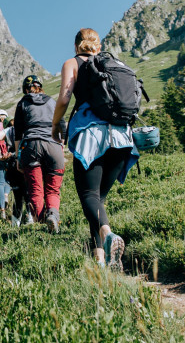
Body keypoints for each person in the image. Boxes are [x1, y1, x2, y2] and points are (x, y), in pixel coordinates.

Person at [51, 28, 138, 269]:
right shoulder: (113, 63)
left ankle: (108, 235)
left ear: (77, 45)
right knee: (97, 200)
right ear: (98, 46)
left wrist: (56, 123)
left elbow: (65, 97)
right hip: (122, 137)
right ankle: (101, 259)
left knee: (89, 196)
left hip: (91, 135)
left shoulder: (73, 62)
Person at [14, 75, 66, 233]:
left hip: (31, 147)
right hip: (53, 146)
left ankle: (43, 225)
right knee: (53, 189)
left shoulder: (23, 103)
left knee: (36, 190)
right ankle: (53, 216)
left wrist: (18, 157)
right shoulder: (51, 101)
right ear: (40, 86)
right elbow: (62, 126)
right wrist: (60, 147)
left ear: (25, 89)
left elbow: (17, 134)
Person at [0, 119, 34, 227]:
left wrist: (0, 156)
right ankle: (30, 219)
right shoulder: (30, 127)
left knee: (18, 196)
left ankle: (15, 224)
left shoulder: (10, 130)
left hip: (13, 164)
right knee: (29, 193)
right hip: (29, 162)